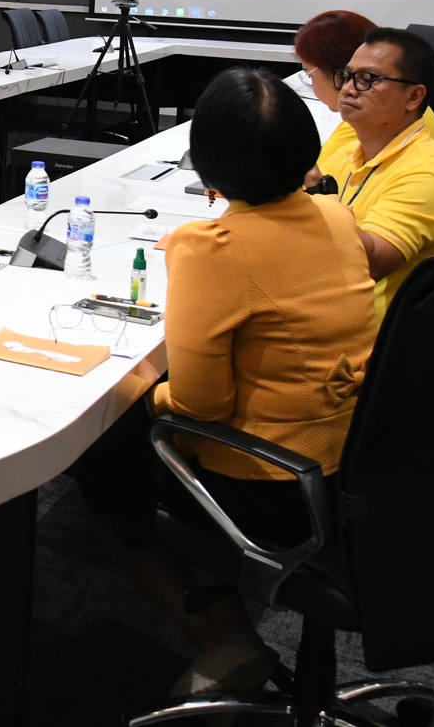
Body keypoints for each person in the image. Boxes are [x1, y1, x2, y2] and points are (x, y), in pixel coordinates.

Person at [69, 69, 377, 702]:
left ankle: (226, 640)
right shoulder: (337, 215)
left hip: (271, 488)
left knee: (102, 455)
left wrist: (135, 396)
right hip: (349, 462)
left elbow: (201, 406)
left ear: (205, 162)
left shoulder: (211, 248)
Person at [315, 27, 434, 317]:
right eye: (347, 76)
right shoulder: (350, 153)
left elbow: (368, 263)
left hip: (364, 333)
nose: (348, 89)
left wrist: (314, 190)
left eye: (367, 79)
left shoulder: (428, 174)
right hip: (328, 302)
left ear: (413, 97)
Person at [293, 9, 434, 166]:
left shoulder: (367, 125)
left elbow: (311, 177)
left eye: (310, 75)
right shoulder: (407, 111)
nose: (347, 89)